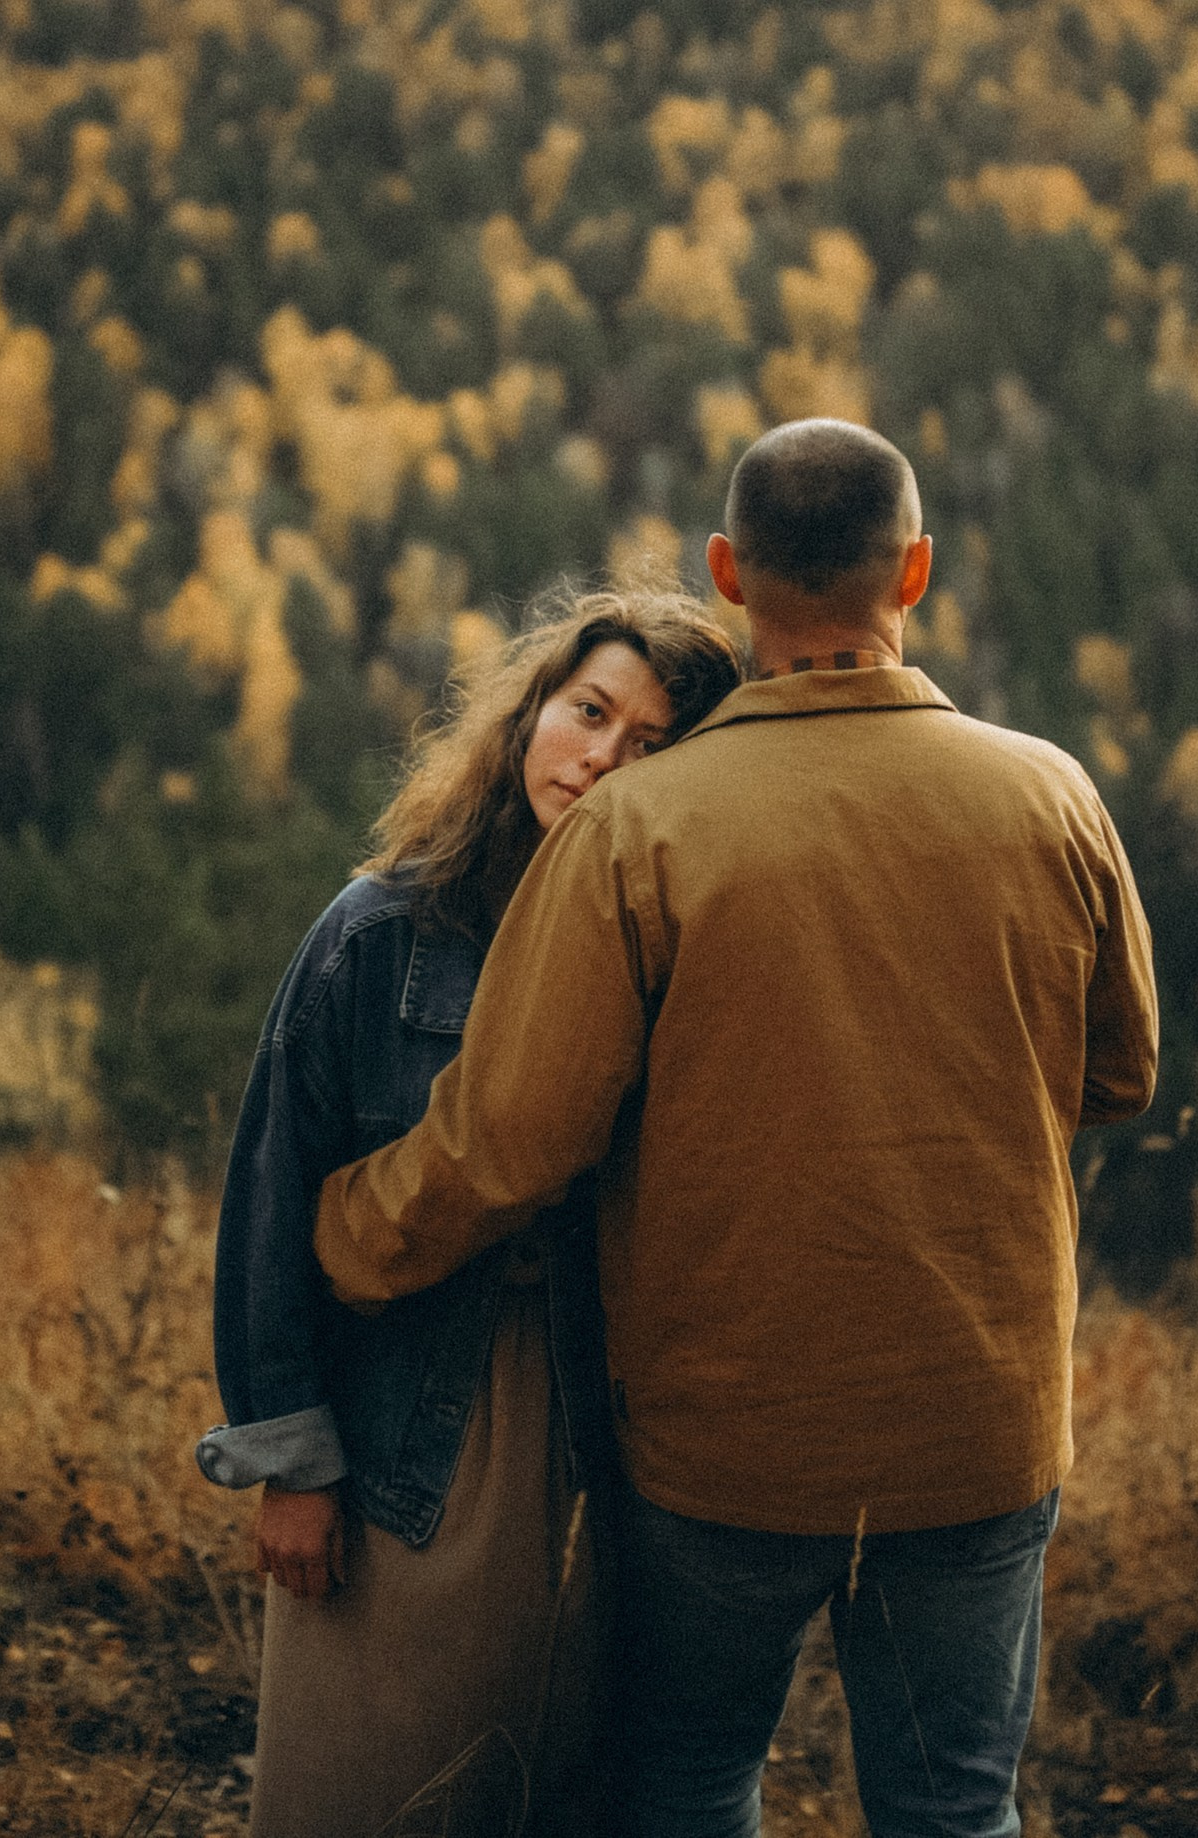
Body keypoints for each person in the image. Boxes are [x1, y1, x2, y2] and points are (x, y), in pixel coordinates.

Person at [312, 418, 1160, 1838]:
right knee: (956, 1805)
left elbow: (511, 1142)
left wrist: (345, 1232)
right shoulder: (1049, 793)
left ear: (725, 572)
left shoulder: (638, 829)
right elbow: (1120, 1073)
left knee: (690, 1786)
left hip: (721, 1447)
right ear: (916, 571)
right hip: (976, 1424)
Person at [196, 587, 743, 1838]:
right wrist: (290, 1464)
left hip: (609, 1422)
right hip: (407, 1410)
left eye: (650, 742)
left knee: (559, 1780)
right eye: (587, 711)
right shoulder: (380, 934)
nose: (601, 757)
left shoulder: (679, 955)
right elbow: (271, 1196)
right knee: (366, 1784)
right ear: (530, 711)